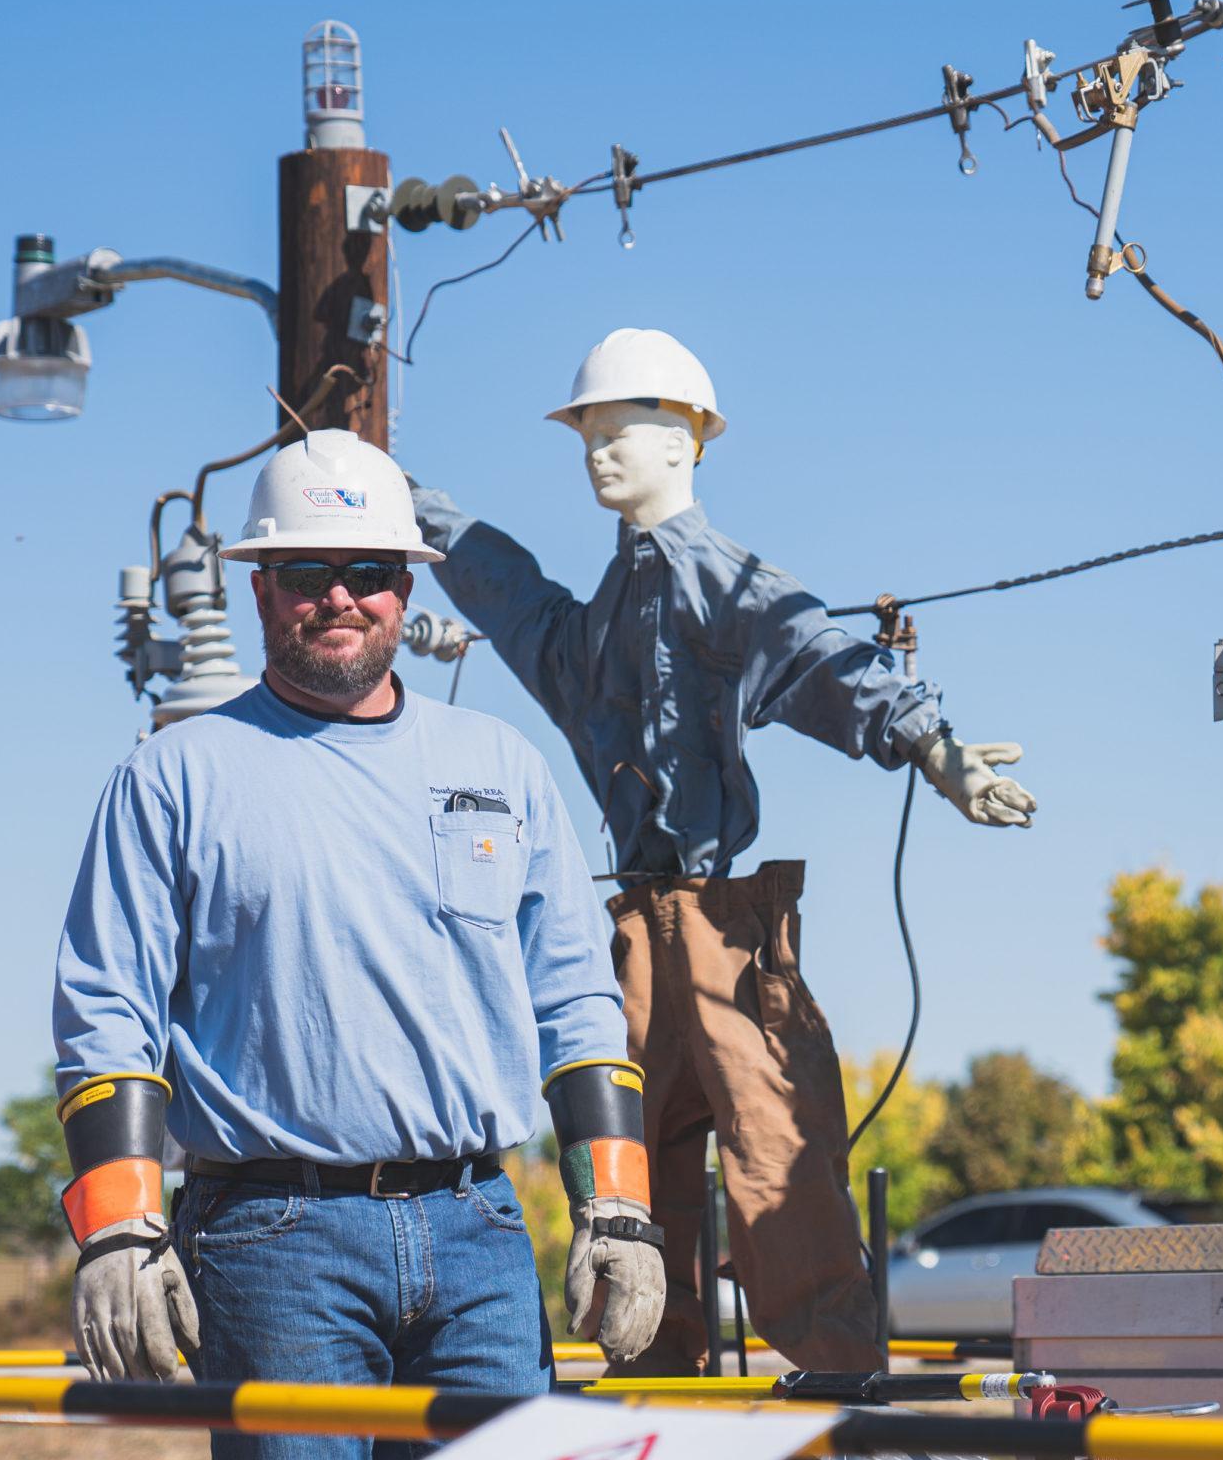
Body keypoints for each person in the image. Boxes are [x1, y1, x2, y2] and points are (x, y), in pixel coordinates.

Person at [50, 426, 664, 1460]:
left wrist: (620, 1211)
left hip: (471, 1233)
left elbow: (581, 1004)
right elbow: (104, 1012)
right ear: (261, 588)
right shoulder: (178, 779)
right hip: (271, 1242)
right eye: (308, 571)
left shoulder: (499, 767)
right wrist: (124, 1232)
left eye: (369, 571)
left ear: (408, 585)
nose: (341, 596)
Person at [411, 328, 1039, 1376]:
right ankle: (655, 1378)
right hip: (631, 941)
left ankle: (835, 1392)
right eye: (588, 435)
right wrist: (395, 501)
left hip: (717, 930)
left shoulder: (721, 580)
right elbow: (504, 588)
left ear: (688, 440)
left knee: (776, 1158)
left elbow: (814, 648)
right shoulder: (600, 619)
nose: (597, 451)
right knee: (627, 1176)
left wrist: (935, 748)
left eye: (622, 430)